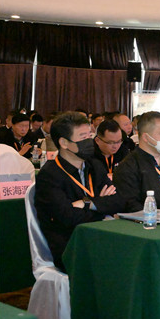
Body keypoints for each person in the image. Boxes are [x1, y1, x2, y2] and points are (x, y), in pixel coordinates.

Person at [35, 112, 124, 271]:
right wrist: (101, 206)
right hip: (71, 246)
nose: (89, 141)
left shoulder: (94, 165)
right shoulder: (50, 175)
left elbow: (118, 202)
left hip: (101, 235)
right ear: (64, 142)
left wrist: (86, 203)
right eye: (83, 137)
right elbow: (68, 217)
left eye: (90, 135)